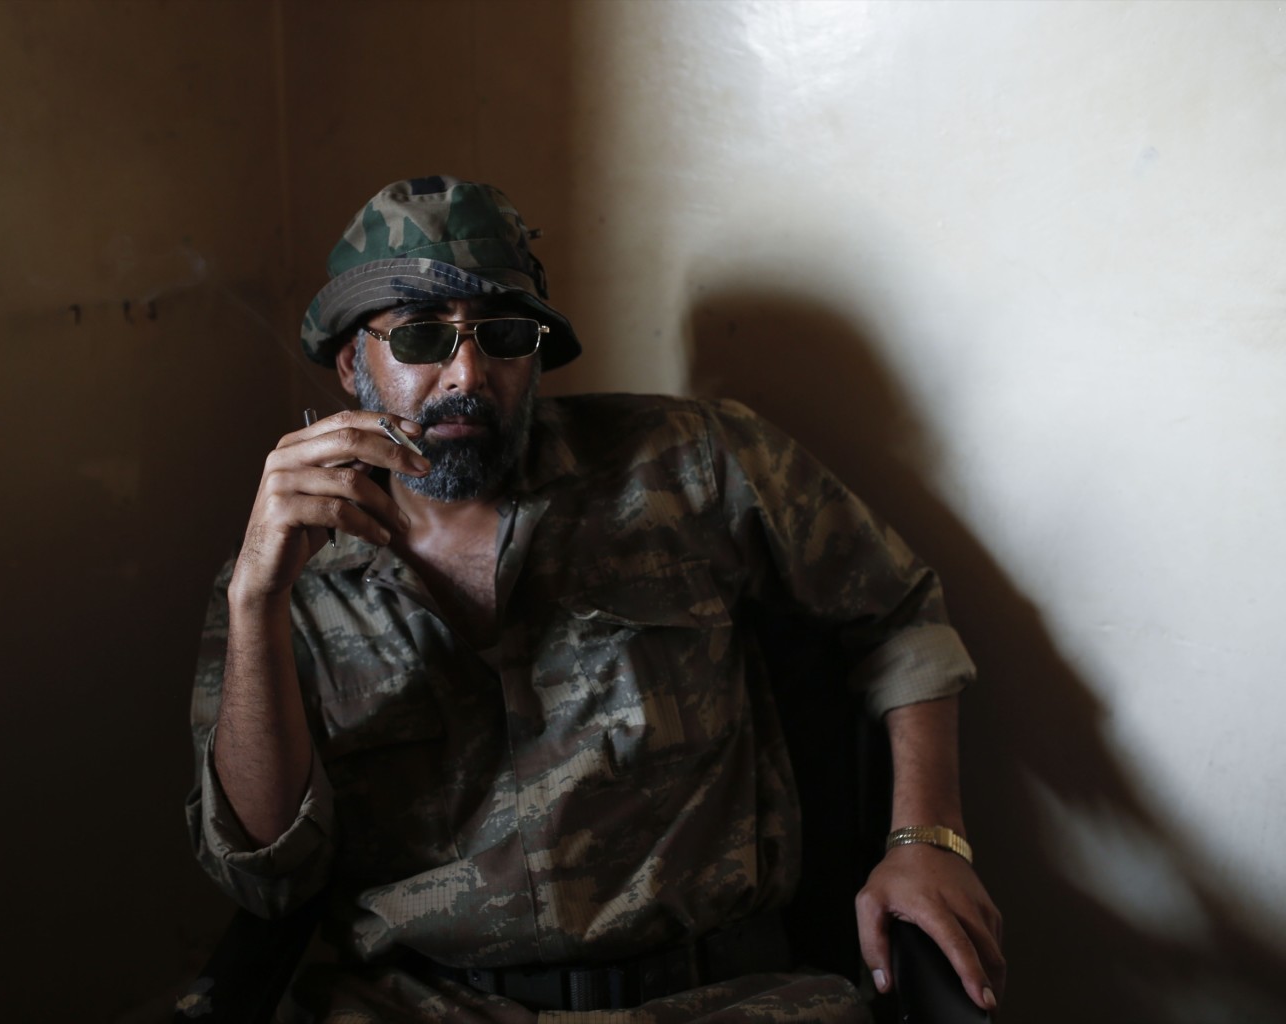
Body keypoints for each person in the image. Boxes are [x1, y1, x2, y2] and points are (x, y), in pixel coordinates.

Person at [187, 176, 1004, 1023]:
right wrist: (257, 602)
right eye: (423, 336)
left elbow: (898, 615)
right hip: (422, 1003)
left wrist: (927, 840)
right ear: (352, 362)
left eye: (504, 335)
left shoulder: (693, 463)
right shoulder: (290, 576)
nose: (467, 373)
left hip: (718, 997)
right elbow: (264, 873)